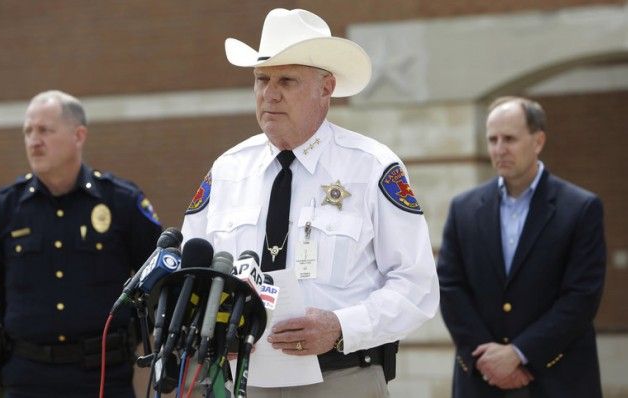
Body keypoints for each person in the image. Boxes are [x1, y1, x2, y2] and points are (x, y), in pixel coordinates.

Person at [181, 8, 439, 397]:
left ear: (326, 87)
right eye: (261, 79)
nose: (270, 93)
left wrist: (340, 327)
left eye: (286, 80)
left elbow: (416, 287)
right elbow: (191, 270)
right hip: (238, 380)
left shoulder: (371, 167)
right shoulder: (228, 170)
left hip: (340, 377)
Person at [0, 90, 163, 398]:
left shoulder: (120, 202)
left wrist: (130, 336)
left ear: (78, 135)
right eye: (28, 131)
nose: (34, 140)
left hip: (103, 376)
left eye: (45, 130)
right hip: (27, 377)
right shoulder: (4, 209)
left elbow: (160, 275)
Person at [437, 96, 606, 398]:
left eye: (510, 139)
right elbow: (450, 287)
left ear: (538, 140)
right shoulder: (463, 208)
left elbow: (581, 296)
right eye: (492, 139)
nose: (499, 149)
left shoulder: (581, 208)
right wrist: (491, 362)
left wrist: (519, 353)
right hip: (481, 381)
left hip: (559, 380)